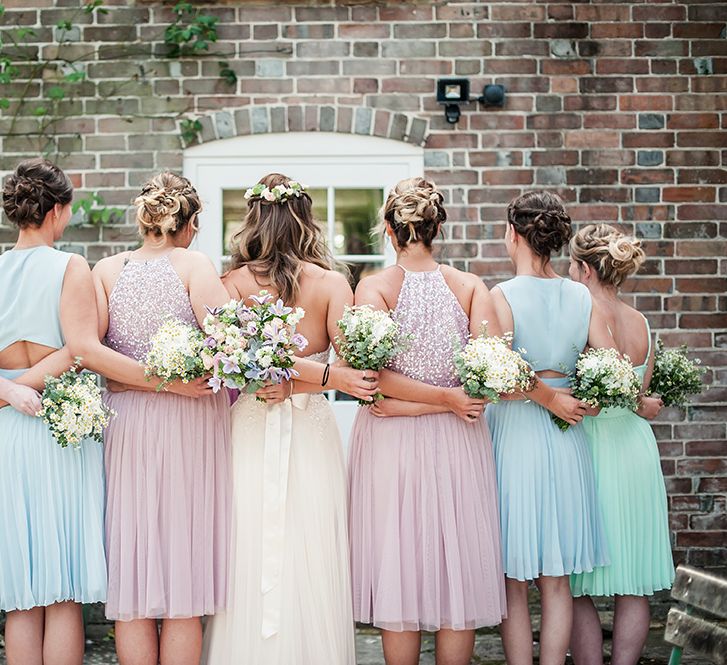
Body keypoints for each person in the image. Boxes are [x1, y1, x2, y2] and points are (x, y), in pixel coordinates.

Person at [202, 173, 376, 665]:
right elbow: (348, 368)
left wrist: (286, 375)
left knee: (257, 543)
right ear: (305, 221)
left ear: (253, 221)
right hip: (304, 429)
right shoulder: (332, 284)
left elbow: (235, 360)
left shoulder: (228, 284)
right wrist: (318, 376)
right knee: (302, 546)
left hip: (253, 424)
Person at [348, 177, 507, 665]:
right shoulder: (470, 286)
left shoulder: (373, 287)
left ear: (389, 231)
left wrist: (405, 405)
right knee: (451, 573)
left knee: (402, 572)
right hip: (457, 438)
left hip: (393, 443)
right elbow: (491, 374)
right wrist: (448, 401)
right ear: (438, 228)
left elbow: (373, 379)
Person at [92, 172, 232, 665]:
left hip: (127, 423)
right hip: (187, 422)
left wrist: (133, 381)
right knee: (184, 574)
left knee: (133, 566)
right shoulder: (194, 263)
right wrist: (181, 380)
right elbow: (229, 348)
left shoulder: (106, 270)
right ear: (188, 223)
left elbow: (95, 357)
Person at [485, 191, 613, 665]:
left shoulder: (500, 296)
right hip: (568, 436)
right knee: (557, 576)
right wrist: (587, 400)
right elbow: (609, 371)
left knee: (513, 577)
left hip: (517, 434)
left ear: (512, 234)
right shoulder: (581, 296)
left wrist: (548, 397)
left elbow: (492, 376)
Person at [0, 157, 107, 665]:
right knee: (61, 588)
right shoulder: (71, 266)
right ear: (58, 212)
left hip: (8, 430)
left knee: (21, 592)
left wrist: (9, 391)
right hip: (56, 425)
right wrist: (22, 389)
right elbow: (79, 350)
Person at [568, 224, 675, 665]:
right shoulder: (641, 321)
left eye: (573, 266)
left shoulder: (583, 310)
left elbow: (606, 382)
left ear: (587, 269)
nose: (569, 274)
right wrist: (642, 401)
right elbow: (638, 394)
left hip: (596, 445)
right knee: (633, 580)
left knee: (574, 581)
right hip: (635, 446)